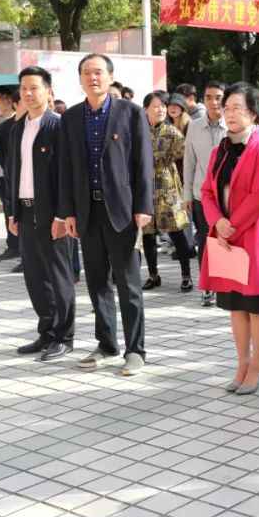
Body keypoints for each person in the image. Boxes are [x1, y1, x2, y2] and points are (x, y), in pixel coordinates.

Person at [58, 53, 154, 376]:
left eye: (98, 72)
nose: (93, 77)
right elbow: (66, 168)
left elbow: (144, 163)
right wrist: (68, 212)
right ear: (80, 79)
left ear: (110, 77)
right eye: (87, 73)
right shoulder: (72, 118)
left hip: (122, 212)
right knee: (97, 282)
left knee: (128, 284)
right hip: (87, 211)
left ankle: (135, 350)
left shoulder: (131, 113)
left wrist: (143, 206)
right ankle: (107, 344)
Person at [200, 83, 259, 395]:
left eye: (238, 108)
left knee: (257, 306)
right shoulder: (219, 151)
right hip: (226, 237)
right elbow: (206, 191)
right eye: (227, 108)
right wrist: (217, 222)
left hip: (254, 238)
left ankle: (258, 365)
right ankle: (242, 362)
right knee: (235, 305)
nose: (231, 114)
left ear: (253, 113)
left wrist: (230, 226)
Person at [8, 66, 76, 361]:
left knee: (58, 276)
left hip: (52, 215)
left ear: (48, 92)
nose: (28, 93)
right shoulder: (18, 128)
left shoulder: (58, 126)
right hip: (25, 211)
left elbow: (66, 175)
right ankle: (46, 332)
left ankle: (64, 337)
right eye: (24, 88)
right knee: (35, 277)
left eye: (34, 88)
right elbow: (14, 173)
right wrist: (12, 212)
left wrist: (62, 216)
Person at [139, 91, 195, 293]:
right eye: (155, 106)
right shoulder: (138, 131)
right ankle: (153, 275)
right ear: (146, 109)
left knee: (177, 232)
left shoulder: (173, 133)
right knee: (148, 234)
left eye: (163, 106)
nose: (161, 109)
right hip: (145, 188)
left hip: (167, 187)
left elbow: (187, 157)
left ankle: (186, 275)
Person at [183, 81, 228, 306]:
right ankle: (208, 286)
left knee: (226, 240)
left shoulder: (233, 124)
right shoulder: (194, 126)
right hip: (202, 195)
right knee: (204, 240)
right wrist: (187, 195)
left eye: (218, 97)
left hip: (228, 196)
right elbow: (189, 162)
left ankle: (226, 284)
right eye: (209, 97)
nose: (213, 102)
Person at [0, 90, 22, 263]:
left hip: (22, 176)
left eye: (6, 98)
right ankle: (13, 245)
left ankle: (23, 249)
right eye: (0, 98)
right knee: (8, 210)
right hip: (3, 173)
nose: (4, 101)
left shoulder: (23, 122)